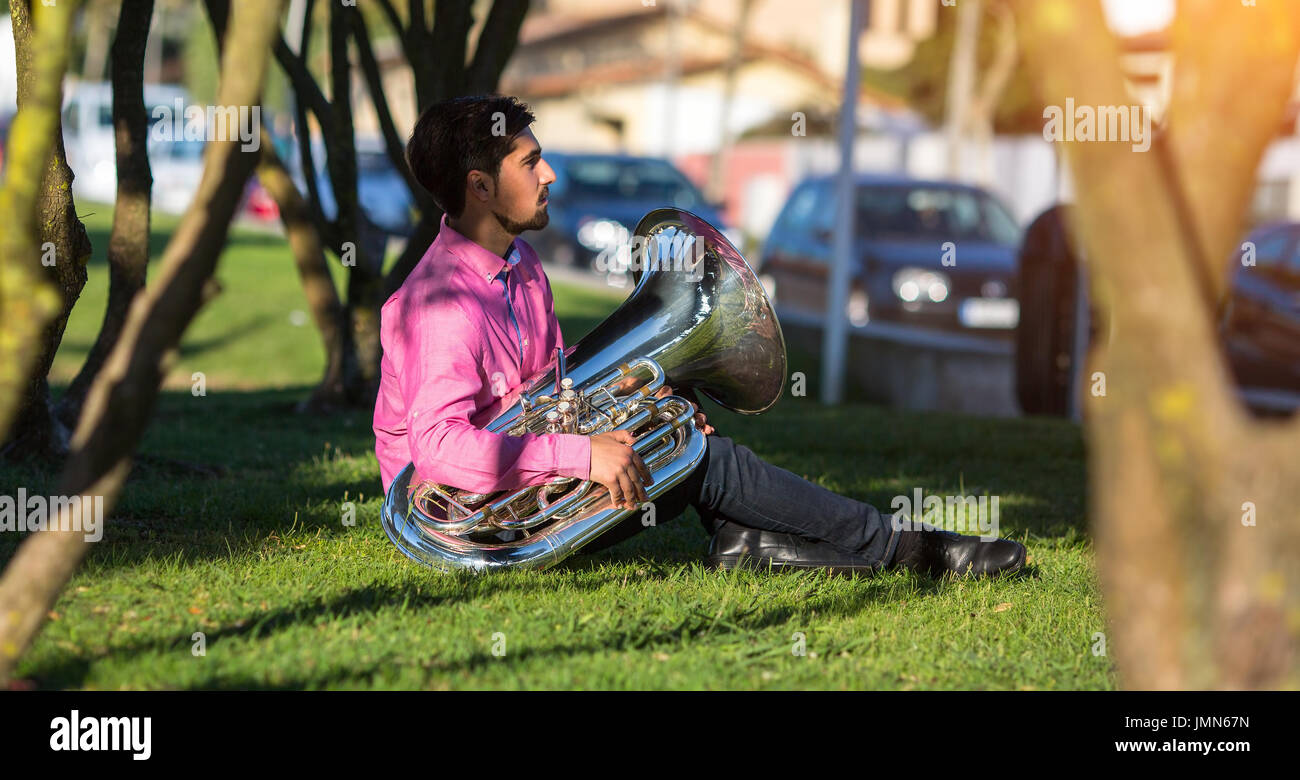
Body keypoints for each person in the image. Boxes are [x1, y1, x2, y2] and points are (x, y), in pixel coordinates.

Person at [373, 95, 1028, 578]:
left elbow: (552, 388)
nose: (549, 177)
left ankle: (756, 546)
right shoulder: (439, 307)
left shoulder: (521, 264)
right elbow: (437, 450)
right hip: (470, 525)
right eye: (532, 162)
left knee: (685, 447)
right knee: (708, 464)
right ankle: (909, 549)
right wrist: (581, 458)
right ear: (480, 188)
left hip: (515, 487)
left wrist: (656, 398)